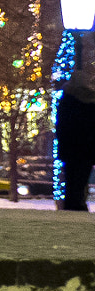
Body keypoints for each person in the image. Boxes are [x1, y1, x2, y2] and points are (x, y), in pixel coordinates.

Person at [57, 52, 95, 211]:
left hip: (71, 149)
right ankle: (78, 202)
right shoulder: (90, 103)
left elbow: (62, 127)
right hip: (86, 149)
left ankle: (72, 202)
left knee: (72, 177)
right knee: (81, 178)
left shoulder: (66, 102)